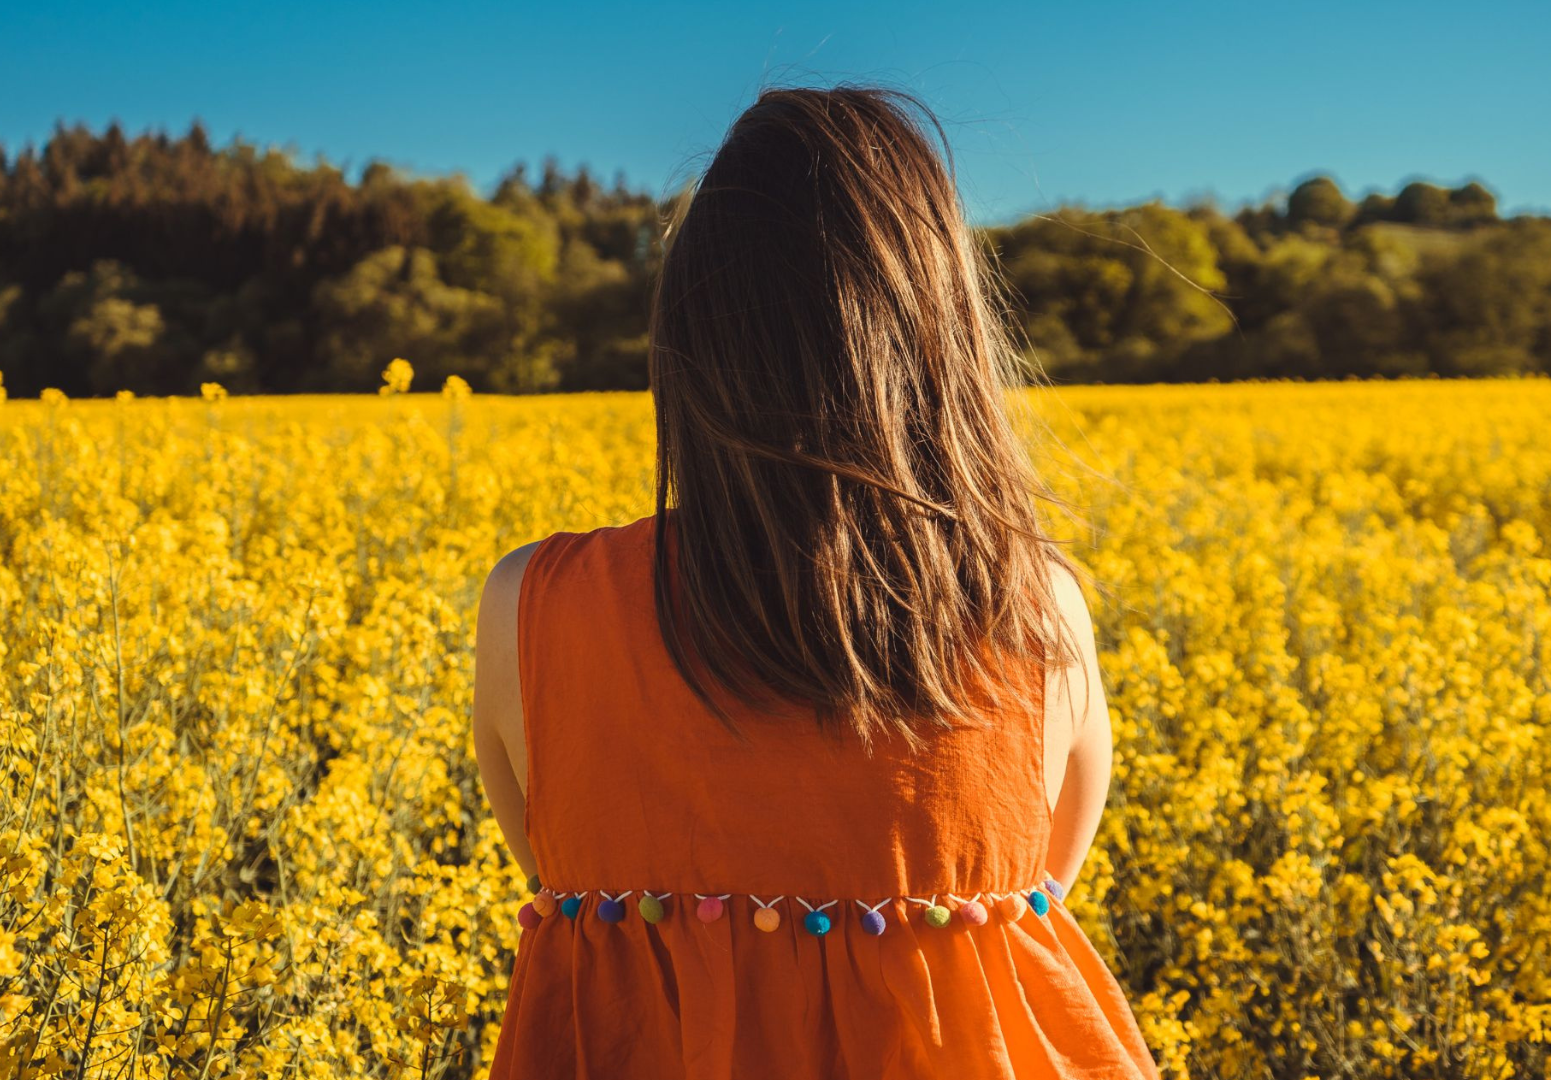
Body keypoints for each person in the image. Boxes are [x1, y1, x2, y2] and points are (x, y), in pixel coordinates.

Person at [471, 83, 1157, 1080]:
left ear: (690, 342)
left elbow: (574, 882)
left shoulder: (531, 608)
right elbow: (1037, 898)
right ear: (945, 341)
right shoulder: (1036, 611)